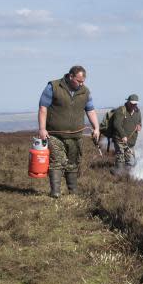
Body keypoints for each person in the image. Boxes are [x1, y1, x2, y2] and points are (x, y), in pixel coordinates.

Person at [38, 65, 100, 198]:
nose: (81, 84)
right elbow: (43, 108)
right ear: (70, 76)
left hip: (76, 135)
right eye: (79, 81)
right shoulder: (53, 87)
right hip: (55, 134)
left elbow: (90, 110)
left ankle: (73, 192)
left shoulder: (85, 91)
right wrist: (42, 129)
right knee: (56, 162)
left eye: (83, 81)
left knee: (73, 163)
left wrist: (96, 127)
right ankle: (55, 192)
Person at [109, 93, 142, 173]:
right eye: (132, 104)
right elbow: (116, 124)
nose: (133, 105)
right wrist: (123, 135)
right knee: (120, 158)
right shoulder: (121, 110)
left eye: (135, 104)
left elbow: (139, 122)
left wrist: (139, 126)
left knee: (130, 162)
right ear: (128, 102)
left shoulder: (138, 112)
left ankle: (127, 177)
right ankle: (116, 177)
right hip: (119, 139)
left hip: (131, 141)